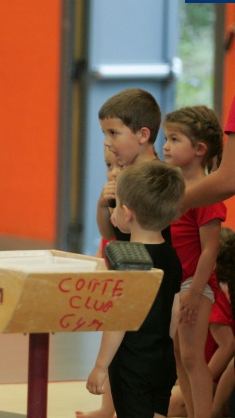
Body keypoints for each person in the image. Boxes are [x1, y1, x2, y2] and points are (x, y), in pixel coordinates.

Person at [86, 161, 185, 418]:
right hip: (162, 358)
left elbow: (118, 320)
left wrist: (100, 366)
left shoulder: (127, 259)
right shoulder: (171, 255)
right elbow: (175, 312)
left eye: (117, 205)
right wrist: (163, 347)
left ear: (127, 214)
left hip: (132, 363)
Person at [162, 105, 226, 418]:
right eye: (166, 138)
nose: (165, 146)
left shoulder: (206, 195)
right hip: (177, 283)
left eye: (174, 139)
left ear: (200, 149)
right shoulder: (176, 190)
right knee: (179, 356)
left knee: (191, 357)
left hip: (195, 285)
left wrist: (195, 292)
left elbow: (210, 251)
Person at [75, 148, 123, 418]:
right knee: (111, 351)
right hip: (110, 281)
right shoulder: (110, 205)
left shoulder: (130, 206)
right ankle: (107, 408)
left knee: (119, 354)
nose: (113, 173)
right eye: (108, 165)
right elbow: (104, 243)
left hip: (126, 284)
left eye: (120, 167)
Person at [96, 88, 164, 244]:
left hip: (151, 258)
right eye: (104, 133)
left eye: (113, 133)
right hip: (129, 256)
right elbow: (109, 234)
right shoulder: (124, 177)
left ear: (143, 135)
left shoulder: (159, 178)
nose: (106, 142)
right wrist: (102, 205)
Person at [211, 227, 235, 418]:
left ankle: (215, 411)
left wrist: (202, 380)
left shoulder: (215, 293)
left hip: (215, 380)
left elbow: (228, 345)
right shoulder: (223, 288)